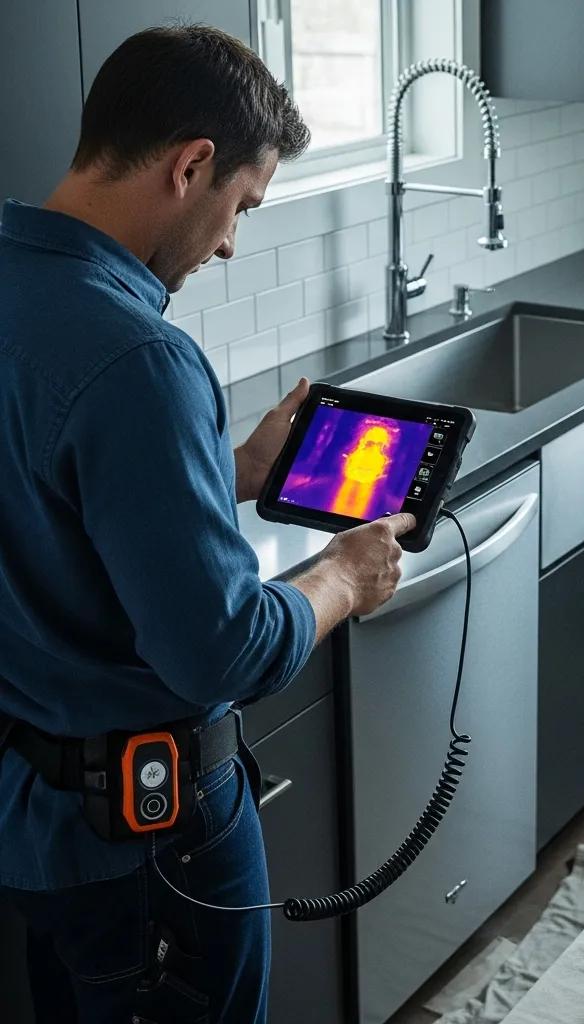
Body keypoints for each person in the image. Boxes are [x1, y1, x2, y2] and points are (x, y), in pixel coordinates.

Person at [0, 24, 414, 1024]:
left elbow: (45, 509)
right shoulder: (138, 353)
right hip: (153, 844)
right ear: (192, 165)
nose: (230, 242)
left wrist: (227, 475)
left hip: (36, 828)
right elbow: (220, 651)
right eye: (240, 205)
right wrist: (343, 576)